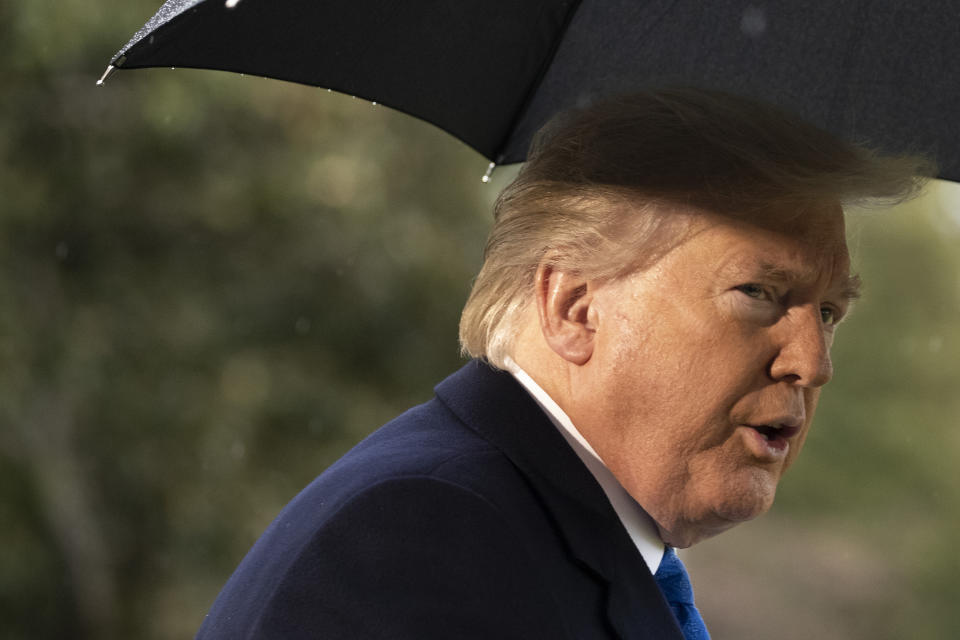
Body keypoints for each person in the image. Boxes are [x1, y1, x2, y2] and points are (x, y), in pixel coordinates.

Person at [195, 89, 928, 639]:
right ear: (574, 307)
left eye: (829, 312)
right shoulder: (429, 534)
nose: (813, 361)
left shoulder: (534, 533)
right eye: (760, 293)